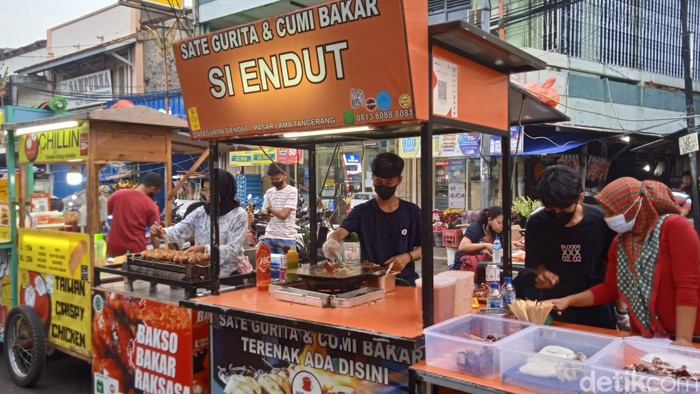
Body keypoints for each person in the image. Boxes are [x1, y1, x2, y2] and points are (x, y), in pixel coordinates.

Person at [551, 178, 700, 346]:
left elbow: (688, 285)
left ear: (635, 206)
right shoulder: (620, 243)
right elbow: (610, 289)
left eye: (611, 212)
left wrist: (684, 338)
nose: (607, 218)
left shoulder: (675, 228)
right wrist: (568, 300)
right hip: (644, 337)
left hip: (686, 337)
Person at [524, 165, 616, 329]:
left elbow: (610, 266)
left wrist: (621, 310)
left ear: (580, 198)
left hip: (595, 309)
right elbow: (536, 262)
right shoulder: (537, 223)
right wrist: (543, 273)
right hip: (553, 307)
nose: (558, 214)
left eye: (565, 209)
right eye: (551, 209)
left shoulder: (600, 221)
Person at [322, 152, 421, 285]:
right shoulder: (361, 212)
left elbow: (425, 247)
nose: (383, 186)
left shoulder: (412, 212)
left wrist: (407, 257)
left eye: (389, 182)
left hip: (404, 282)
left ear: (399, 180)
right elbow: (339, 233)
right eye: (378, 181)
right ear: (372, 178)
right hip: (369, 283)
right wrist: (331, 242)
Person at [150, 169, 249, 277]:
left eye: (212, 190)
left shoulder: (239, 215)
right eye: (205, 190)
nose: (208, 195)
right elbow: (180, 229)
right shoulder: (201, 212)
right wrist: (162, 232)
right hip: (202, 272)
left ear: (224, 189)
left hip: (229, 275)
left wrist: (204, 249)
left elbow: (233, 249)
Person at [107, 172, 162, 256]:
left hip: (113, 248)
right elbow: (155, 233)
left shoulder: (118, 194)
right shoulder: (151, 205)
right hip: (136, 251)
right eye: (156, 192)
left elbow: (101, 215)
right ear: (153, 188)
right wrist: (158, 253)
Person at [261, 162, 299, 254]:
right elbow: (267, 216)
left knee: (287, 267)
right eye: (272, 179)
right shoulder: (269, 192)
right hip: (269, 236)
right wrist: (265, 215)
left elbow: (283, 215)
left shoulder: (292, 191)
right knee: (268, 267)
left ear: (285, 175)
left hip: (286, 238)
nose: (274, 181)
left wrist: (270, 208)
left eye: (277, 179)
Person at [453, 207, 504, 271]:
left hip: (485, 266)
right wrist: (485, 245)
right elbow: (462, 247)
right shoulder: (476, 228)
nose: (501, 226)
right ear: (489, 220)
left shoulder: (498, 232)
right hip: (466, 266)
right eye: (499, 223)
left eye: (503, 224)